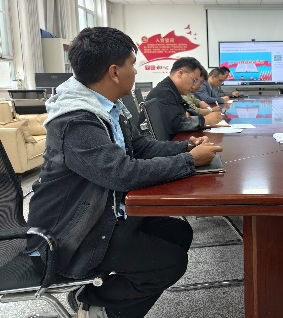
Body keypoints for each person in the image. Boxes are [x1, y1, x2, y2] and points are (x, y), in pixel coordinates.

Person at [26, 27, 223, 318]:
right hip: (71, 232)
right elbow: (121, 174)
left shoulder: (108, 107)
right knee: (169, 263)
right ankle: (93, 303)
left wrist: (186, 148)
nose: (136, 70)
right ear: (114, 72)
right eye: (132, 64)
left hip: (102, 212)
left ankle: (103, 303)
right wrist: (189, 161)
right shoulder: (77, 120)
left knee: (179, 233)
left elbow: (140, 147)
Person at [139, 58, 223, 139]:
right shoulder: (165, 92)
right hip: (156, 145)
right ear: (181, 73)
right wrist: (205, 120)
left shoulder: (172, 90)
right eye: (194, 80)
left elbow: (185, 112)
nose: (194, 86)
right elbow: (176, 125)